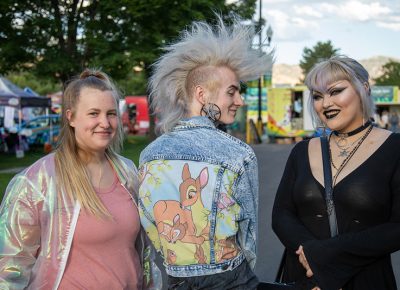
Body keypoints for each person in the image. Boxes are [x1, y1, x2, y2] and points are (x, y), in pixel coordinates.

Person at [138, 15, 272, 290]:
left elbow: (149, 222)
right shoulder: (239, 154)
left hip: (177, 278)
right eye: (231, 92)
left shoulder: (149, 155)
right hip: (233, 277)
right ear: (201, 94)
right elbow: (248, 235)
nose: (240, 100)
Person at [0, 69, 161, 289]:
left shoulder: (128, 172)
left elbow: (144, 251)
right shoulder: (37, 181)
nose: (104, 122)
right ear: (71, 117)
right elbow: (10, 265)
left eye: (111, 113)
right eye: (94, 113)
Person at [272, 55, 400, 290]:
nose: (325, 103)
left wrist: (327, 256)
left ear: (364, 88)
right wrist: (311, 258)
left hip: (364, 280)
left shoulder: (395, 148)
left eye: (335, 91)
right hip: (303, 279)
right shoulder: (301, 150)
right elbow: (281, 215)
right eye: (318, 96)